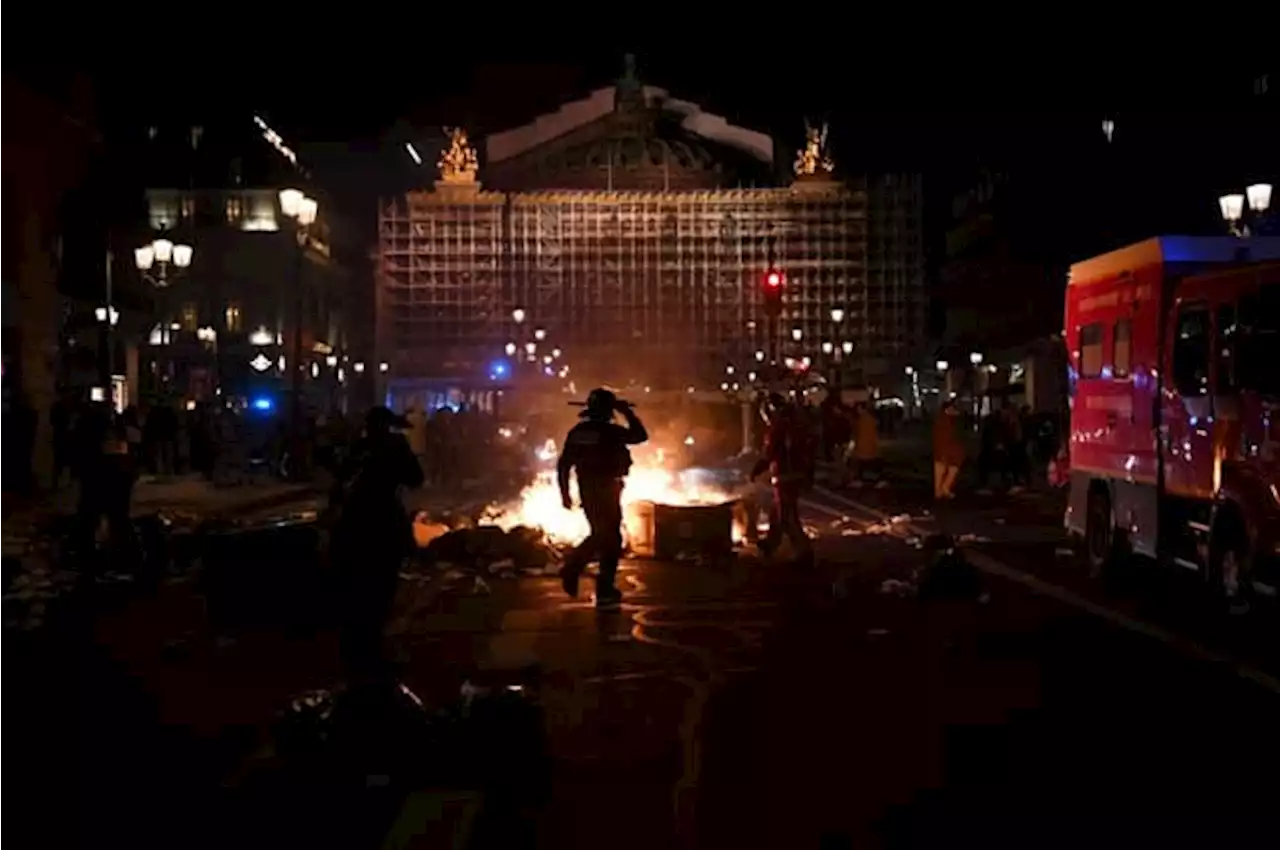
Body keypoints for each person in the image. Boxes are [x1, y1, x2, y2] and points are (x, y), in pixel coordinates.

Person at [330, 406, 424, 683]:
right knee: (381, 588)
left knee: (357, 587)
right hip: (382, 522)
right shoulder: (394, 445)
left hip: (354, 523)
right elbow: (415, 478)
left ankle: (358, 649)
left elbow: (338, 484)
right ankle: (372, 652)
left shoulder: (358, 447)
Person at [557, 388, 648, 609]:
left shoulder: (578, 432)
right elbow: (640, 436)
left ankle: (603, 586)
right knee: (607, 536)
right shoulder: (610, 432)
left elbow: (563, 465)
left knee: (607, 536)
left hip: (588, 489)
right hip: (607, 488)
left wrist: (565, 493)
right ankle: (576, 567)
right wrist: (627, 412)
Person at [751, 392, 816, 564]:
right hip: (795, 475)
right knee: (776, 511)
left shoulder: (777, 428)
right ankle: (771, 544)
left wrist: (756, 470)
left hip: (785, 476)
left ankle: (803, 551)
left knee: (787, 516)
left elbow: (770, 454)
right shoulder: (796, 424)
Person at [932, 401, 964, 500]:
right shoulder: (945, 421)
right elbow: (943, 437)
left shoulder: (947, 420)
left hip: (948, 450)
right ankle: (941, 490)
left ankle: (942, 490)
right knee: (943, 470)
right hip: (946, 450)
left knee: (946, 470)